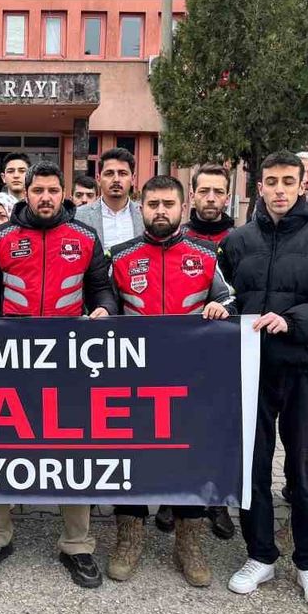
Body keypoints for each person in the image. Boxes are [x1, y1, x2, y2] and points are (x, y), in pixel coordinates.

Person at [0, 160, 117, 588]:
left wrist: (104, 309)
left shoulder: (85, 236)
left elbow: (101, 289)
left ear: (63, 193)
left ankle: (77, 545)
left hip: (70, 361)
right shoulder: (3, 237)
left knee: (74, 448)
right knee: (1, 445)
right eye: (38, 191)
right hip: (10, 359)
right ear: (26, 193)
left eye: (53, 191)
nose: (46, 198)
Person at [219, 151, 308, 609]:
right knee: (253, 466)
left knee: (305, 470)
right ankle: (260, 555)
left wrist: (292, 320)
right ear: (260, 187)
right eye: (272, 181)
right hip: (251, 371)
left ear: (303, 186)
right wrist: (222, 309)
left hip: (305, 370)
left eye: (288, 182)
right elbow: (228, 294)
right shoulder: (237, 241)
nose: (279, 190)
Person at [106, 175, 234, 587]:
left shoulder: (206, 253)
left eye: (168, 204)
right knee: (132, 457)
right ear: (141, 207)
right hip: (132, 378)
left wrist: (221, 307)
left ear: (183, 207)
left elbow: (231, 297)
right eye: (153, 204)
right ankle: (129, 540)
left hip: (190, 379)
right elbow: (104, 302)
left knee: (189, 457)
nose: (160, 211)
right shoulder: (121, 256)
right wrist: (102, 312)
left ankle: (188, 545)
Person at [75, 148, 143, 251]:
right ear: (98, 179)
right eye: (109, 173)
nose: (116, 179)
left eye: (122, 173)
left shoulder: (144, 215)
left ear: (133, 179)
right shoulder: (79, 216)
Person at [184, 163, 235, 245]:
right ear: (192, 197)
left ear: (227, 199)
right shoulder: (176, 239)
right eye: (203, 191)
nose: (211, 199)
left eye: (219, 192)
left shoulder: (239, 240)